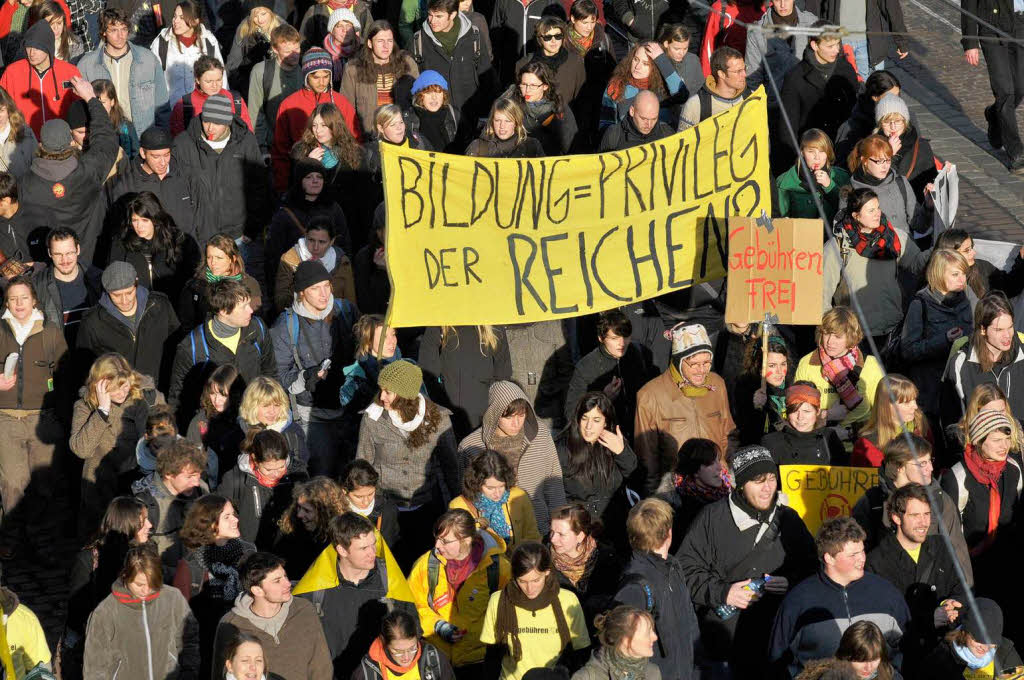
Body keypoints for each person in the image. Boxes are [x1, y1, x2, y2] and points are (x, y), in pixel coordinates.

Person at [677, 445, 817, 677]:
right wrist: (723, 592)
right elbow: (685, 570)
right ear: (740, 484)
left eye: (771, 478)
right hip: (723, 646)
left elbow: (812, 568)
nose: (767, 488)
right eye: (758, 481)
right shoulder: (711, 518)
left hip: (776, 641)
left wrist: (789, 582)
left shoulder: (788, 518)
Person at [768, 517, 910, 679]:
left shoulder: (886, 593)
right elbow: (778, 661)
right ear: (829, 558)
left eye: (862, 550)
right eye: (853, 554)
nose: (862, 558)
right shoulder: (798, 601)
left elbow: (907, 649)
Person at [356, 359, 460, 568]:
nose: (382, 396)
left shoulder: (438, 418)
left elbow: (452, 468)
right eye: (381, 390)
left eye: (389, 391)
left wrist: (459, 506)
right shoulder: (372, 419)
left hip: (427, 507)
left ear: (405, 395)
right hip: (387, 509)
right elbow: (362, 466)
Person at [292, 512, 416, 677]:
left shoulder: (391, 581)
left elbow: (414, 630)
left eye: (373, 544)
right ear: (342, 550)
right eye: (363, 548)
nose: (373, 552)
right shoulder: (314, 589)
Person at [865, 483, 966, 674]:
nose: (923, 522)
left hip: (945, 658)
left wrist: (951, 605)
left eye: (927, 514)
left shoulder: (941, 547)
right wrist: (929, 621)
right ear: (896, 517)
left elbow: (961, 590)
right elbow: (880, 622)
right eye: (915, 515)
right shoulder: (877, 562)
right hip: (904, 664)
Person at [0, 275, 68, 558]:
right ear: (6, 302)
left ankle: (40, 539)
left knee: (44, 484)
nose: (19, 304)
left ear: (34, 300)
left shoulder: (51, 332)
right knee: (13, 483)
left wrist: (61, 417)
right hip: (6, 418)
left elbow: (65, 375)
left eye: (24, 298)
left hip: (44, 419)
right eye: (13, 298)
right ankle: (11, 538)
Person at [270, 259, 358, 476]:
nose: (324, 294)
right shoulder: (286, 325)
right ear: (301, 293)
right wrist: (306, 377)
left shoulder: (346, 311)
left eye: (327, 286)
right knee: (323, 477)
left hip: (349, 411)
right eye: (315, 288)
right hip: (312, 416)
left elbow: (365, 350)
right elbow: (279, 375)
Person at [18, 76, 116, 265]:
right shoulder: (88, 171)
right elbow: (105, 139)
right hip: (89, 260)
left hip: (49, 265)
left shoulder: (25, 183)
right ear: (70, 142)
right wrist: (91, 99)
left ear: (41, 145)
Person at [634, 322, 738, 496]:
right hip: (676, 489)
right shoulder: (649, 394)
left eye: (706, 363)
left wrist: (727, 469)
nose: (702, 370)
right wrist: (655, 496)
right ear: (678, 360)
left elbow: (728, 433)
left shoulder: (717, 384)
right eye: (694, 364)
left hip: (717, 482)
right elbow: (647, 456)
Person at [851, 434, 973, 579]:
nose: (931, 467)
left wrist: (962, 595)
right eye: (922, 463)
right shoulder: (873, 502)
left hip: (933, 592)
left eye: (930, 461)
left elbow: (958, 553)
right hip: (885, 589)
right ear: (900, 467)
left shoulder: (940, 500)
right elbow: (856, 555)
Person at [407, 509, 511, 673]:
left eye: (445, 541)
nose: (437, 546)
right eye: (437, 539)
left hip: (481, 660)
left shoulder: (498, 569)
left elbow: (510, 614)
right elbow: (410, 606)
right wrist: (437, 626)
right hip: (437, 660)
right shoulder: (425, 566)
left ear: (467, 540)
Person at [459, 380, 566, 534]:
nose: (516, 423)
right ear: (494, 414)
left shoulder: (540, 435)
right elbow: (466, 496)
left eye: (521, 415)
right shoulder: (470, 446)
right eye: (508, 417)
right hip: (492, 534)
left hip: (539, 527)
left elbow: (553, 482)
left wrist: (560, 524)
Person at [62, 496, 151, 680]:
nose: (150, 525)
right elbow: (77, 613)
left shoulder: (143, 556)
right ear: (128, 524)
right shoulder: (88, 560)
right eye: (143, 521)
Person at [69, 353, 157, 535]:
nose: (122, 392)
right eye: (116, 388)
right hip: (98, 482)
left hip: (132, 479)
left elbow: (152, 443)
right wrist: (102, 411)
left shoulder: (141, 401)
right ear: (100, 385)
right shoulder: (85, 405)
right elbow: (81, 449)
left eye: (125, 385)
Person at [83, 544, 200, 679]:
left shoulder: (173, 598)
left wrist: (188, 674)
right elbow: (94, 668)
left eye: (152, 584)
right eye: (139, 585)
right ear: (125, 576)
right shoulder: (104, 612)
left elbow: (189, 640)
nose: (146, 591)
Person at [212, 552, 334, 680]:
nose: (287, 584)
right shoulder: (231, 624)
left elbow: (321, 666)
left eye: (285, 576)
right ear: (257, 590)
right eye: (277, 581)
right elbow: (220, 674)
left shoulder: (304, 610)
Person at [615, 498, 699, 680]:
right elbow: (624, 651)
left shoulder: (673, 566)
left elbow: (690, 622)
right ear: (668, 533)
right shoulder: (635, 586)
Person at [168, 278, 276, 421]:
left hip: (254, 420)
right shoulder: (192, 347)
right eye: (243, 306)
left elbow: (270, 372)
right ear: (224, 311)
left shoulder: (258, 328)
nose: (251, 310)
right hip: (215, 427)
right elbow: (178, 397)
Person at [480, 541, 591, 679]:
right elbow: (492, 657)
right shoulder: (499, 601)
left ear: (547, 572)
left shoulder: (567, 600)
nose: (530, 589)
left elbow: (581, 652)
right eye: (522, 581)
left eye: (536, 580)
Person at [171, 92, 270, 245]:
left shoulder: (245, 141)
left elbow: (258, 188)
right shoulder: (183, 144)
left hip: (237, 236)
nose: (210, 128)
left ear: (228, 122)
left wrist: (252, 229)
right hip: (198, 236)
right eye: (206, 121)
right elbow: (175, 192)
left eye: (217, 123)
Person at [76, 263, 180, 391]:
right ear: (106, 291)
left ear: (136, 284)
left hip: (159, 393)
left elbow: (177, 348)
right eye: (117, 295)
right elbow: (83, 367)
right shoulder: (92, 322)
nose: (125, 301)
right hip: (119, 397)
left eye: (129, 293)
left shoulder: (161, 306)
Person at [940, 410, 1021, 573]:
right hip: (971, 567)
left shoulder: (1013, 470)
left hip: (1009, 562)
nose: (1004, 446)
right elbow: (948, 535)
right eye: (997, 440)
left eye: (1007, 439)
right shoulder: (956, 478)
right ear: (978, 440)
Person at [272, 47, 361, 193]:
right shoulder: (289, 105)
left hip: (340, 181)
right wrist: (283, 189)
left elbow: (356, 141)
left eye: (326, 76)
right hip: (302, 183)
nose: (322, 82)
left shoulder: (341, 102)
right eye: (316, 77)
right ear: (306, 76)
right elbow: (280, 151)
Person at [899, 249, 973, 420]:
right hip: (930, 391)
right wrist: (944, 340)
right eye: (955, 274)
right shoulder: (920, 304)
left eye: (964, 273)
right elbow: (908, 351)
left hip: (960, 388)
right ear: (939, 274)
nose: (962, 279)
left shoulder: (967, 298)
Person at [76, 8, 171, 135]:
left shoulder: (148, 60)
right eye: (114, 30)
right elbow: (80, 109)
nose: (120, 36)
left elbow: (162, 105)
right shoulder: (87, 64)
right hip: (105, 136)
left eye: (124, 29)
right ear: (104, 32)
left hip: (142, 135)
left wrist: (161, 138)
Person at [264, 161, 352, 298]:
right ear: (299, 180)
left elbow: (345, 244)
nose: (315, 181)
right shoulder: (286, 212)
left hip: (330, 284)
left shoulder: (334, 208)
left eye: (319, 177)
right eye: (309, 177)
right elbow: (273, 256)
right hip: (296, 284)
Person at [409, 0, 494, 139]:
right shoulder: (418, 41)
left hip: (470, 122)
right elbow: (411, 83)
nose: (432, 21)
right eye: (430, 15)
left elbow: (487, 78)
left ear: (453, 14)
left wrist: (485, 115)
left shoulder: (474, 37)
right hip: (435, 126)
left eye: (438, 16)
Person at [792, 306, 884, 433]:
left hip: (860, 441)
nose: (830, 342)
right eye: (826, 334)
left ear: (851, 337)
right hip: (821, 438)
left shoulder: (869, 365)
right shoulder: (807, 363)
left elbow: (883, 411)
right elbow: (797, 413)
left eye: (838, 336)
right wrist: (827, 415)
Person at [108, 126, 205, 244]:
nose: (163, 162)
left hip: (186, 252)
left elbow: (203, 218)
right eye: (156, 156)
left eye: (166, 155)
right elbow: (121, 228)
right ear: (143, 153)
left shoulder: (187, 175)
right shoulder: (127, 185)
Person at [556, 392, 636, 534]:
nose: (588, 427)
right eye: (585, 418)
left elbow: (635, 475)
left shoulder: (615, 442)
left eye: (596, 420)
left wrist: (621, 452)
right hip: (576, 526)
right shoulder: (563, 448)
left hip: (613, 525)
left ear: (606, 422)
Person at [942, 293, 1024, 425]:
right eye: (999, 330)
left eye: (1010, 327)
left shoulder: (1022, 355)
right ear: (983, 330)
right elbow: (951, 421)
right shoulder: (960, 364)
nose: (1007, 335)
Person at [962, 0, 1024, 174]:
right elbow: (969, 3)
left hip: (1021, 24)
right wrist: (970, 42)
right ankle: (1016, 153)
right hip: (992, 26)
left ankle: (994, 114)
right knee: (1005, 91)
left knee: (1020, 89)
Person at [564, 310, 647, 439]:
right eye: (614, 338)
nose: (622, 343)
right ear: (601, 338)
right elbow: (571, 412)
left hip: (636, 433)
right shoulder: (586, 366)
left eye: (626, 336)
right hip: (603, 438)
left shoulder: (634, 355)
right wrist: (603, 398)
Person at [779, 23, 858, 158]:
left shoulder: (846, 70)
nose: (836, 50)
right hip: (812, 152)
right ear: (815, 45)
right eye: (830, 46)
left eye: (838, 44)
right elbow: (788, 127)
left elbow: (855, 111)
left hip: (842, 149)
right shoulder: (795, 77)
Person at [419, 324, 513, 438]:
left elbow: (503, 376)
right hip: (452, 419)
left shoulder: (495, 329)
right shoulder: (438, 328)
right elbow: (429, 375)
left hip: (482, 418)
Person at [220, 428, 309, 547]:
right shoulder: (235, 480)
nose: (276, 474)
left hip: (290, 549)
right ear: (255, 460)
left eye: (281, 467)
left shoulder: (298, 475)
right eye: (268, 469)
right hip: (251, 551)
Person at [131, 436, 207, 572]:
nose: (196, 482)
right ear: (168, 474)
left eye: (198, 475)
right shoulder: (145, 504)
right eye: (190, 476)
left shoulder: (202, 490)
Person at [108, 190, 201, 299]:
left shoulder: (178, 241)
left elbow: (192, 278)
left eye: (144, 220)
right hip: (136, 305)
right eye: (135, 220)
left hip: (172, 305)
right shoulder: (121, 243)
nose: (139, 226)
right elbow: (113, 278)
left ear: (155, 219)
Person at [0, 21, 81, 136]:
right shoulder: (12, 72)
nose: (32, 53)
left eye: (37, 48)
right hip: (23, 142)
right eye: (28, 47)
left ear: (48, 47)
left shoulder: (70, 72)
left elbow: (80, 111)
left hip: (60, 143)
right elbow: (2, 107)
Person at [287, 103, 365, 223]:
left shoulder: (354, 153)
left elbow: (359, 196)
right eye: (314, 125)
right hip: (311, 220)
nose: (318, 131)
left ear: (335, 125)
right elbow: (294, 190)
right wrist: (308, 164)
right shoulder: (301, 151)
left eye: (323, 125)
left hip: (344, 220)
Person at [548, 503, 620, 629]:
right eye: (552, 532)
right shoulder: (544, 560)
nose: (553, 539)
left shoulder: (606, 558)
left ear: (580, 536)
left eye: (561, 534)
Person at [340, 20, 418, 136]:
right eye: (380, 41)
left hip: (402, 136)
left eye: (389, 41)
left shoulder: (407, 64)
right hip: (368, 138)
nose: (386, 46)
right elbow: (346, 110)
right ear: (370, 43)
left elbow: (418, 100)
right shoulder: (353, 69)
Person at [451, 451, 540, 549]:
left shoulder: (519, 496)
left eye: (501, 486)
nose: (497, 494)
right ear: (476, 483)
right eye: (490, 488)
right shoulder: (458, 506)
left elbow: (532, 536)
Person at [917, 598, 1023, 677]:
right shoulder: (940, 658)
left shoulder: (1006, 654)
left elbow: (1016, 676)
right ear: (965, 632)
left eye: (991, 641)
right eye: (978, 640)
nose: (985, 648)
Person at [804, 0, 907, 80]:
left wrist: (901, 39)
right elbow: (814, 5)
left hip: (867, 44)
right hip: (836, 43)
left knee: (870, 92)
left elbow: (891, 6)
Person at [178, 235, 262, 332]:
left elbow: (255, 321)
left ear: (232, 258)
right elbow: (186, 323)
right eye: (209, 257)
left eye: (219, 258)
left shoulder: (249, 284)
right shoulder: (196, 285)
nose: (213, 262)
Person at [658, 439, 730, 551]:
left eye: (718, 460)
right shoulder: (676, 512)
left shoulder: (732, 496)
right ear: (694, 470)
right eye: (711, 463)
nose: (719, 467)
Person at [845, 135, 925, 236]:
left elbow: (920, 225)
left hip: (907, 248)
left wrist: (928, 206)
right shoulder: (850, 191)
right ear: (864, 161)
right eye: (879, 161)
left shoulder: (900, 183)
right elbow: (848, 232)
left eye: (888, 160)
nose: (885, 166)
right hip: (874, 250)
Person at [274, 218, 357, 314]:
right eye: (311, 240)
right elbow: (280, 303)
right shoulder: (290, 260)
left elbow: (350, 303)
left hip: (334, 323)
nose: (315, 247)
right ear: (305, 236)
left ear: (332, 241)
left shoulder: (342, 262)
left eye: (322, 242)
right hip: (302, 321)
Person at [151, 0, 226, 107]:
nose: (175, 21)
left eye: (182, 18)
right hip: (171, 112)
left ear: (195, 21)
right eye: (175, 16)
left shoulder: (209, 41)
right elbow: (153, 81)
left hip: (202, 111)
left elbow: (222, 79)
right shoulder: (162, 41)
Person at [274, 476, 351, 579]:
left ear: (324, 512)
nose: (299, 514)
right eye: (299, 507)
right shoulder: (291, 528)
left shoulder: (340, 538)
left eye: (307, 510)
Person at [339, 314, 403, 432]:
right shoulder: (355, 381)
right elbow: (351, 429)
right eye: (384, 337)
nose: (392, 341)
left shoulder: (407, 368)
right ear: (368, 342)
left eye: (393, 334)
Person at [851, 374, 932, 468]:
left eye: (914, 400)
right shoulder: (867, 444)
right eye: (906, 402)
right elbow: (861, 479)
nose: (915, 406)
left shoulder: (921, 426)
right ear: (887, 406)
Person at [744, 0, 817, 103]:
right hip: (774, 106)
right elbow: (753, 79)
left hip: (807, 102)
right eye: (778, 0)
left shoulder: (812, 23)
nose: (783, 5)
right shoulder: (756, 32)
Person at [935, 229, 1024, 312]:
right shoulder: (937, 288)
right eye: (967, 250)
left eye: (972, 248)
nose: (974, 253)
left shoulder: (982, 267)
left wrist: (1021, 260)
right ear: (949, 255)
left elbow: (1009, 288)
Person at [248, 24, 302, 158]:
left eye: (297, 49)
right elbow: (255, 113)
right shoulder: (261, 72)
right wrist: (261, 148)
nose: (294, 55)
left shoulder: (307, 70)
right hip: (273, 147)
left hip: (303, 146)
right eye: (288, 52)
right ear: (275, 49)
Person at [761, 382, 847, 466]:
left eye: (806, 411)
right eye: (794, 411)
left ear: (817, 412)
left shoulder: (829, 438)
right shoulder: (772, 442)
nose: (800, 417)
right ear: (787, 413)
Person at [355, 610, 456, 680]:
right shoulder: (368, 672)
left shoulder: (433, 659)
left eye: (412, 649)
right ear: (383, 642)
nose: (407, 657)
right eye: (398, 652)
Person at [872, 93, 938, 202]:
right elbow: (876, 182)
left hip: (914, 209)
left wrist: (945, 176)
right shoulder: (871, 145)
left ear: (905, 122)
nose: (893, 127)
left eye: (897, 121)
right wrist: (889, 155)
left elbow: (931, 179)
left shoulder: (921, 146)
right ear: (880, 124)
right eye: (887, 122)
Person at [233, 376, 310, 468]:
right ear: (251, 406)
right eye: (266, 406)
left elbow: (300, 468)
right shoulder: (239, 433)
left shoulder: (292, 433)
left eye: (277, 405)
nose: (272, 411)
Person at [566, 0, 615, 145]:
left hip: (597, 105)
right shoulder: (561, 41)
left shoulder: (604, 40)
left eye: (592, 22)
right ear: (573, 19)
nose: (589, 27)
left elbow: (613, 70)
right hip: (570, 106)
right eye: (584, 22)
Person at [503, 60, 577, 155]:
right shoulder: (511, 104)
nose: (527, 90)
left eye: (533, 85)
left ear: (545, 86)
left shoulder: (559, 108)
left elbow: (570, 144)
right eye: (524, 84)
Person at [776, 128, 850, 223]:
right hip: (801, 235)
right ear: (802, 153)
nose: (817, 157)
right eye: (811, 151)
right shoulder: (785, 181)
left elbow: (850, 213)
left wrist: (829, 186)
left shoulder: (841, 177)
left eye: (822, 151)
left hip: (832, 236)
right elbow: (780, 220)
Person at [602, 42, 681, 129]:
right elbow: (605, 124)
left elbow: (682, 95)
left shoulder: (664, 87)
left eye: (645, 63)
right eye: (636, 59)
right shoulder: (617, 86)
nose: (637, 66)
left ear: (656, 66)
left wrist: (661, 59)